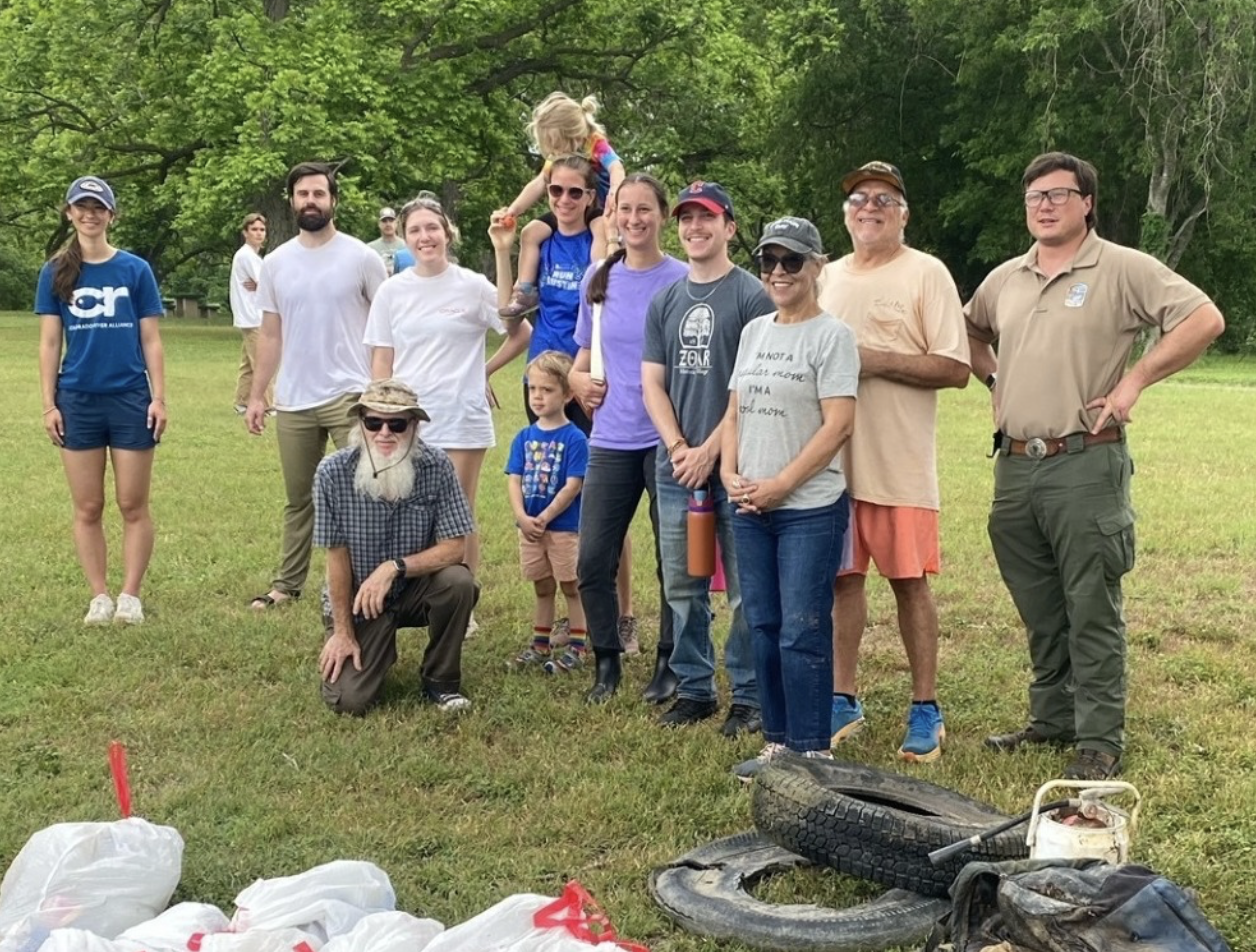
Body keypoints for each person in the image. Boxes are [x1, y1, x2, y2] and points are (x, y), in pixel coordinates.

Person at [966, 151, 1225, 780]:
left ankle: (1099, 736)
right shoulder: (1006, 278)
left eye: (1059, 194)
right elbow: (970, 331)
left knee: (1090, 603)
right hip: (1015, 468)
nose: (1045, 205)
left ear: (1086, 202)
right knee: (1040, 605)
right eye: (1034, 197)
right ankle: (1052, 719)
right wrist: (994, 377)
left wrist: (1134, 382)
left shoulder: (1120, 267)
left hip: (1084, 460)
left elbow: (1203, 318)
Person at [817, 162, 971, 764]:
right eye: (858, 198)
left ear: (904, 213)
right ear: (846, 212)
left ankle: (926, 709)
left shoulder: (926, 273)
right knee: (842, 583)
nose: (869, 207)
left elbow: (955, 368)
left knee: (910, 584)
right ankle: (841, 697)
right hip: (832, 466)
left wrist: (872, 358)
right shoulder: (825, 277)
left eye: (884, 199)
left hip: (900, 463)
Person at [721, 217, 859, 779]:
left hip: (809, 508)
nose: (778, 272)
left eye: (791, 261)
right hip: (750, 506)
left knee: (803, 627)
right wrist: (731, 473)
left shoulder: (833, 337)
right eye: (769, 261)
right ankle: (777, 743)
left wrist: (782, 484)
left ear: (817, 265)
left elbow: (838, 426)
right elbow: (733, 412)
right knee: (764, 623)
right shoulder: (755, 331)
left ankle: (812, 747)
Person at [366, 191, 531, 629]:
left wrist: (484, 370)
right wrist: (382, 414)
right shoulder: (391, 292)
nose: (425, 237)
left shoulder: (472, 285)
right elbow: (382, 358)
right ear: (403, 238)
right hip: (406, 418)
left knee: (458, 513)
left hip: (461, 414)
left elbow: (518, 329)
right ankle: (404, 596)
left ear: (447, 233)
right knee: (402, 509)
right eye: (415, 231)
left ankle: (463, 605)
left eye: (432, 228)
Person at [642, 181, 772, 735]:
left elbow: (750, 388)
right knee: (682, 584)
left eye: (707, 218)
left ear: (730, 228)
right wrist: (678, 448)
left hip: (737, 466)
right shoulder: (666, 299)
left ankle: (747, 695)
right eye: (687, 219)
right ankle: (694, 687)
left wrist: (710, 452)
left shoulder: (751, 297)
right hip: (676, 469)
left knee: (745, 589)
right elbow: (652, 382)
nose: (695, 227)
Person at [496, 155, 640, 651]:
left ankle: (623, 617)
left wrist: (581, 377)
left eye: (574, 192)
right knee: (549, 491)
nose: (563, 201)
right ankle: (566, 617)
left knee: (604, 500)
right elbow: (511, 311)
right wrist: (503, 249)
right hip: (545, 378)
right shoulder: (539, 236)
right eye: (555, 191)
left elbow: (604, 282)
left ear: (591, 196)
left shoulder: (598, 232)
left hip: (590, 376)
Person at [245, 161, 388, 610]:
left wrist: (381, 391)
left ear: (333, 200)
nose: (311, 201)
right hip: (294, 400)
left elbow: (388, 324)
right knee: (298, 498)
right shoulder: (276, 263)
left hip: (352, 393)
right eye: (303, 194)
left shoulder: (362, 258)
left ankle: (370, 578)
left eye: (319, 194)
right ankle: (286, 586)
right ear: (293, 200)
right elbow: (270, 333)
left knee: (364, 492)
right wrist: (257, 393)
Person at [569, 172, 689, 704]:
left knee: (675, 561)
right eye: (625, 209)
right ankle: (607, 663)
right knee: (593, 558)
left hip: (668, 439)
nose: (634, 219)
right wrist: (575, 381)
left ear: (663, 215)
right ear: (612, 215)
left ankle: (671, 661)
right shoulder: (598, 278)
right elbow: (580, 359)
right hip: (611, 438)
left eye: (645, 209)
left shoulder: (684, 278)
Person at [36, 175, 167, 625]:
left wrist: (159, 397)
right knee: (88, 506)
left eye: (98, 207)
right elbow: (50, 343)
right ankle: (99, 595)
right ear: (69, 213)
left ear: (111, 215)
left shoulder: (134, 270)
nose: (89, 214)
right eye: (81, 207)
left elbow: (151, 339)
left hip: (131, 398)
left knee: (133, 503)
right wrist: (49, 404)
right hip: (78, 399)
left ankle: (130, 595)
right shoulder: (55, 272)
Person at [314, 378, 478, 715]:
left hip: (415, 588)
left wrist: (394, 567)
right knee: (348, 701)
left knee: (459, 583)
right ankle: (374, 645)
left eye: (397, 423)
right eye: (373, 422)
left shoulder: (438, 466)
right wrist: (343, 631)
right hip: (360, 597)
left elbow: (455, 549)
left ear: (414, 426)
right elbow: (336, 558)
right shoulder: (331, 473)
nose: (384, 432)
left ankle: (441, 682)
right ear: (360, 423)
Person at [496, 93, 624, 318]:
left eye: (555, 145)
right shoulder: (559, 156)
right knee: (530, 232)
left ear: (572, 135)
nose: (553, 153)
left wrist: (616, 191)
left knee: (600, 231)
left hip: (598, 205)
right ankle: (525, 291)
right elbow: (538, 184)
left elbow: (616, 167)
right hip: (569, 208)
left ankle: (596, 283)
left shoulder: (595, 142)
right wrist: (514, 210)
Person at [506, 351, 590, 672]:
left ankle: (578, 646)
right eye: (532, 389)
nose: (537, 397)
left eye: (547, 390)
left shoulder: (575, 439)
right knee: (542, 585)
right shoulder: (523, 437)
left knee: (570, 584)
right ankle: (540, 645)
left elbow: (573, 485)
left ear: (568, 394)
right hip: (529, 528)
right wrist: (523, 517)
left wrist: (546, 516)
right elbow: (514, 480)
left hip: (563, 527)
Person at [229, 212, 273, 415]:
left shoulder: (252, 256)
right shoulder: (246, 255)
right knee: (262, 360)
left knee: (248, 363)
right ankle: (268, 404)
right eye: (254, 229)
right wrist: (261, 285)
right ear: (245, 232)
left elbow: (263, 283)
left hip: (252, 315)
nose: (259, 233)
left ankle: (242, 400)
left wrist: (260, 285)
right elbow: (268, 283)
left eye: (262, 229)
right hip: (252, 316)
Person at [366, 206, 405, 275]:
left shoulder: (406, 246)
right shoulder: (370, 248)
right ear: (379, 224)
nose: (388, 224)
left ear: (396, 223)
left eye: (391, 221)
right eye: (384, 221)